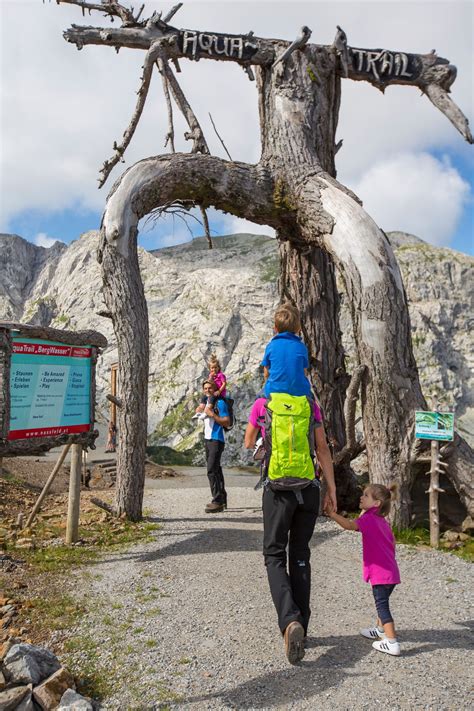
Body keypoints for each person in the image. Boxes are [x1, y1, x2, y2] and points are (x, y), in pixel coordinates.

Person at [244, 395, 337, 664]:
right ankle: (303, 628)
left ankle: (289, 620)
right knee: (300, 554)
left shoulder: (263, 403)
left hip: (277, 492)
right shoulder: (310, 403)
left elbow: (249, 442)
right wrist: (330, 488)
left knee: (274, 555)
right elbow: (322, 448)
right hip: (308, 490)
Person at [325, 484, 401, 656]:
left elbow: (349, 525)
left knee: (382, 607)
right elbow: (393, 543)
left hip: (381, 575)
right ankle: (380, 631)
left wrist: (332, 514)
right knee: (382, 603)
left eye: (365, 495)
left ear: (376, 503)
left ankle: (392, 642)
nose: (361, 497)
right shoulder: (382, 520)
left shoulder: (368, 520)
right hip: (392, 572)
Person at [261, 303, 311, 399]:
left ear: (275, 328)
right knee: (313, 404)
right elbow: (304, 371)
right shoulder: (301, 347)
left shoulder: (271, 346)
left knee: (258, 399)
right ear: (298, 328)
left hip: (274, 392)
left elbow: (266, 373)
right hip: (299, 393)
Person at [197, 379, 230, 513]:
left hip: (217, 439)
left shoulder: (220, 403)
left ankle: (217, 500)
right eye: (205, 388)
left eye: (210, 388)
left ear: (215, 388)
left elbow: (226, 422)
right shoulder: (206, 402)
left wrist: (212, 415)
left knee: (211, 469)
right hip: (208, 439)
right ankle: (222, 497)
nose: (207, 390)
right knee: (216, 469)